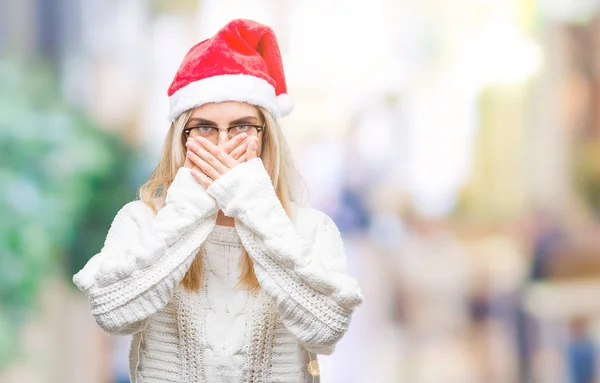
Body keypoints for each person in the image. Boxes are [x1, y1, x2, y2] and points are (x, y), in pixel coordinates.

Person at [73, 18, 364, 383]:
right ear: (182, 137)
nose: (223, 144)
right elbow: (112, 312)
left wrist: (254, 206)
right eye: (206, 128)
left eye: (241, 126)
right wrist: (193, 203)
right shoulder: (142, 220)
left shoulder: (311, 229)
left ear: (266, 136)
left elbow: (327, 328)